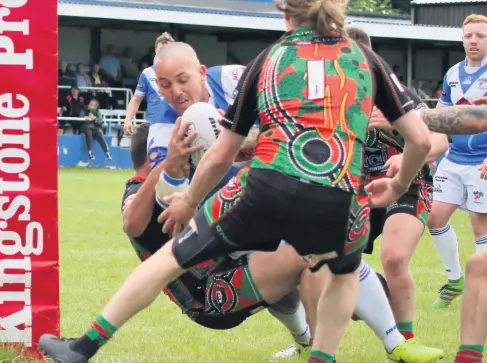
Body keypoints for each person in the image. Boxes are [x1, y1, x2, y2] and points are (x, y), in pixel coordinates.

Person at [38, 1, 432, 362]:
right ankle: (362, 346)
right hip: (340, 196)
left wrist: (189, 201)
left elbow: (221, 152)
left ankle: (83, 347)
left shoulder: (270, 59)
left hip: (266, 186)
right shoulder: (365, 59)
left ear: (286, 15)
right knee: (342, 273)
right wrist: (398, 187)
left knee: (168, 259)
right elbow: (421, 140)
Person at [121, 122, 312, 358]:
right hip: (209, 296)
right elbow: (131, 224)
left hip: (225, 268)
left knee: (288, 240)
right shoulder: (136, 191)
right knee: (307, 257)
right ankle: (328, 336)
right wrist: (164, 164)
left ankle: (307, 342)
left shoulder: (179, 178)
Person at [346, 26, 449, 345]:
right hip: (358, 192)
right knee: (329, 270)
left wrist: (400, 136)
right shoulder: (331, 100)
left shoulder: (399, 95)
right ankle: (310, 338)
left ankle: (405, 342)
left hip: (407, 184)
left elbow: (440, 141)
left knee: (393, 257)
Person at [427, 14, 487, 309]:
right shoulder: (452, 73)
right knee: (434, 218)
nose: (473, 41)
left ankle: (481, 289)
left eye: (480, 36)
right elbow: (440, 119)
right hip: (452, 159)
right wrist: (427, 153)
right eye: (468, 36)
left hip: (482, 161)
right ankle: (455, 281)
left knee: (480, 225)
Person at [122, 32, 176, 167]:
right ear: (155, 52)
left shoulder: (179, 72)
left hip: (175, 126)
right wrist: (128, 119)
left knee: (174, 168)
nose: (163, 54)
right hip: (154, 127)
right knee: (150, 166)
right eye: (160, 50)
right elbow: (136, 99)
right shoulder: (147, 73)